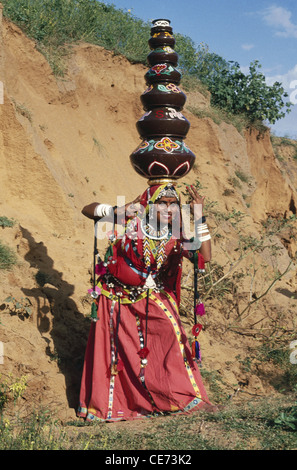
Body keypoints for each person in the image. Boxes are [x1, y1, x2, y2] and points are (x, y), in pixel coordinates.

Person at [77, 183, 213, 422]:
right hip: (115, 298)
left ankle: (176, 397)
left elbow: (204, 256)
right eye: (163, 203)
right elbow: (87, 210)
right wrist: (121, 209)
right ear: (149, 205)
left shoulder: (176, 232)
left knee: (172, 335)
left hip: (151, 295)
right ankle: (117, 405)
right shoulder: (131, 222)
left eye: (174, 205)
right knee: (116, 355)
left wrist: (199, 217)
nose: (169, 210)